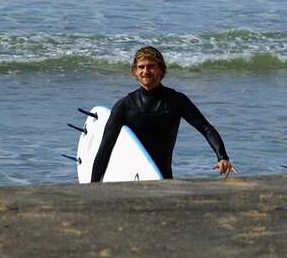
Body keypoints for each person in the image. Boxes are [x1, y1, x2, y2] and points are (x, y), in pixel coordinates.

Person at [91, 46, 236, 182]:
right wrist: (92, 187)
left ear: (161, 69)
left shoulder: (176, 101)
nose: (145, 71)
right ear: (135, 71)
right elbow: (105, 149)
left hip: (163, 178)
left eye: (151, 66)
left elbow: (205, 128)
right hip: (131, 178)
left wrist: (222, 157)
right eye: (141, 67)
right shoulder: (124, 106)